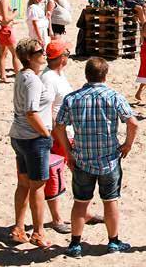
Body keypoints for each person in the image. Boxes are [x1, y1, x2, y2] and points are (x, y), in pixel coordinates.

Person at [54, 57, 139, 258]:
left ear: (86, 74)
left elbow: (59, 127)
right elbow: (133, 123)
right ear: (105, 74)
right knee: (110, 201)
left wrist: (68, 151)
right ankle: (113, 241)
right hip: (108, 159)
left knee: (80, 202)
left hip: (82, 159)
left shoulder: (72, 98)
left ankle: (75, 243)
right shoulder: (114, 96)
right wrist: (127, 144)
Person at [41, 40, 101, 233]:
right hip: (59, 134)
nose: (68, 54)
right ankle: (57, 218)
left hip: (67, 132)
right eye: (66, 52)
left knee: (79, 173)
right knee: (56, 174)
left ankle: (86, 211)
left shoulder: (58, 74)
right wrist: (54, 134)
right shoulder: (48, 78)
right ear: (61, 58)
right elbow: (47, 109)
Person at [9, 38, 54, 248]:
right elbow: (31, 112)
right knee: (38, 186)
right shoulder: (33, 80)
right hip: (32, 139)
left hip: (19, 136)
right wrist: (46, 134)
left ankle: (19, 228)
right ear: (29, 57)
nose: (43, 53)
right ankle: (38, 232)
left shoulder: (22, 75)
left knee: (24, 184)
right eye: (39, 51)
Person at [0, 0, 21, 82]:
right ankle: (18, 75)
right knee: (16, 54)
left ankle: (3, 76)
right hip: (6, 30)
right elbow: (5, 19)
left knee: (3, 54)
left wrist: (13, 20)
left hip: (2, 29)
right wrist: (15, 13)